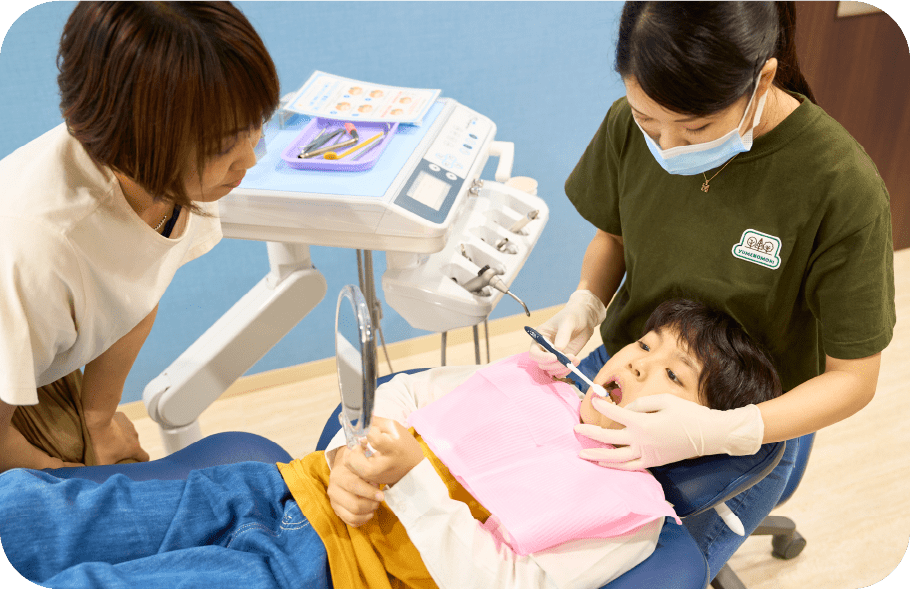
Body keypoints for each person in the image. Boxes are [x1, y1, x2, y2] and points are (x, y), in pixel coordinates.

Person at [1, 299, 782, 589]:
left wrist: (408, 479)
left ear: (695, 432)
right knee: (47, 510)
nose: (637, 364)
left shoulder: (629, 517)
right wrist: (367, 448)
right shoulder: (535, 378)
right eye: (642, 345)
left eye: (670, 374)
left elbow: (501, 582)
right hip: (288, 486)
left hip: (329, 570)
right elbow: (408, 390)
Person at [528, 1, 895, 579]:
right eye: (649, 121)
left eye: (696, 127)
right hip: (623, 367)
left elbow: (854, 379)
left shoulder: (839, 186)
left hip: (743, 425)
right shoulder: (628, 124)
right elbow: (613, 235)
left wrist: (722, 431)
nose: (669, 145)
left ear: (762, 80)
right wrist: (586, 301)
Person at [0, 1, 279, 471]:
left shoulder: (168, 175)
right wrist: (82, 482)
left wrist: (98, 418)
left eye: (256, 127)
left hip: (32, 350)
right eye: (222, 147)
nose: (249, 160)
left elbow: (135, 295)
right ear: (135, 139)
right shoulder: (39, 251)